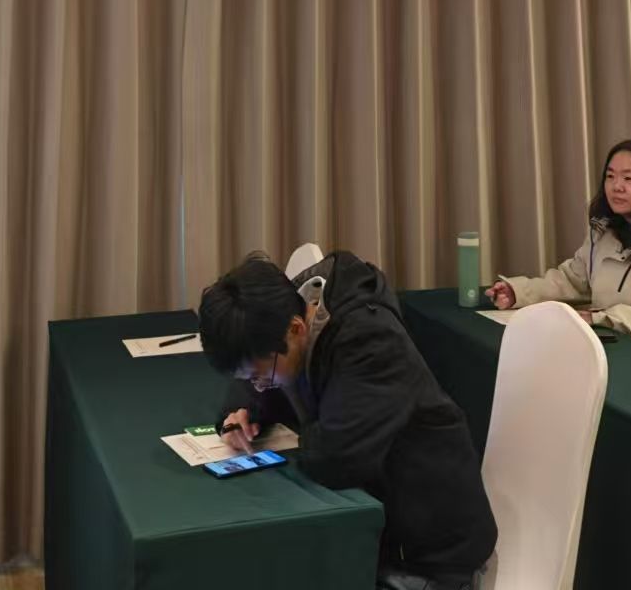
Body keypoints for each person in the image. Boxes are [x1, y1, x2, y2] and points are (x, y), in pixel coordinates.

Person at [200, 250, 497, 590]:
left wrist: (299, 429)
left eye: (259, 376)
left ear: (296, 329)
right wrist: (240, 410)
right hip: (383, 526)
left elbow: (336, 457)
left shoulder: (369, 341)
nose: (257, 385)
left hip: (429, 546)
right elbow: (260, 377)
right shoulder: (285, 312)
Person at [485, 137, 631, 348]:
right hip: (600, 349)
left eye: (628, 178)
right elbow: (573, 281)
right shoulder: (604, 234)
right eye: (610, 176)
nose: (616, 186)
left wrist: (606, 319)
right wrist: (520, 292)